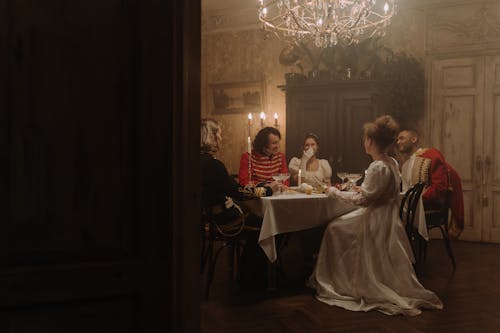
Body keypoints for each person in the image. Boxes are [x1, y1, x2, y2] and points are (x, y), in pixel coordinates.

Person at [308, 115, 443, 316]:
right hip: (388, 218)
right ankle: (345, 275)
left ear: (371, 141)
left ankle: (345, 280)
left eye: (365, 139)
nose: (364, 142)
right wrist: (358, 188)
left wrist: (334, 192)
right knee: (338, 224)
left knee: (334, 228)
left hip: (375, 220)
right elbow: (377, 191)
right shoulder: (391, 163)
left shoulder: (378, 166)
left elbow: (363, 200)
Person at [200, 118, 271, 290]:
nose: (222, 138)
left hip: (210, 216)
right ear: (212, 136)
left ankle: (250, 275)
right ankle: (251, 278)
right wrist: (266, 191)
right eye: (220, 134)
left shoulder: (197, 161)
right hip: (225, 219)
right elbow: (238, 192)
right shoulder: (213, 164)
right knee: (267, 224)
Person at [396, 128, 464, 238]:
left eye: (401, 138)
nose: (398, 142)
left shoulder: (431, 155)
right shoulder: (406, 164)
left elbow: (440, 187)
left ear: (414, 139)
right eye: (397, 139)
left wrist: (416, 199)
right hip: (412, 206)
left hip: (430, 206)